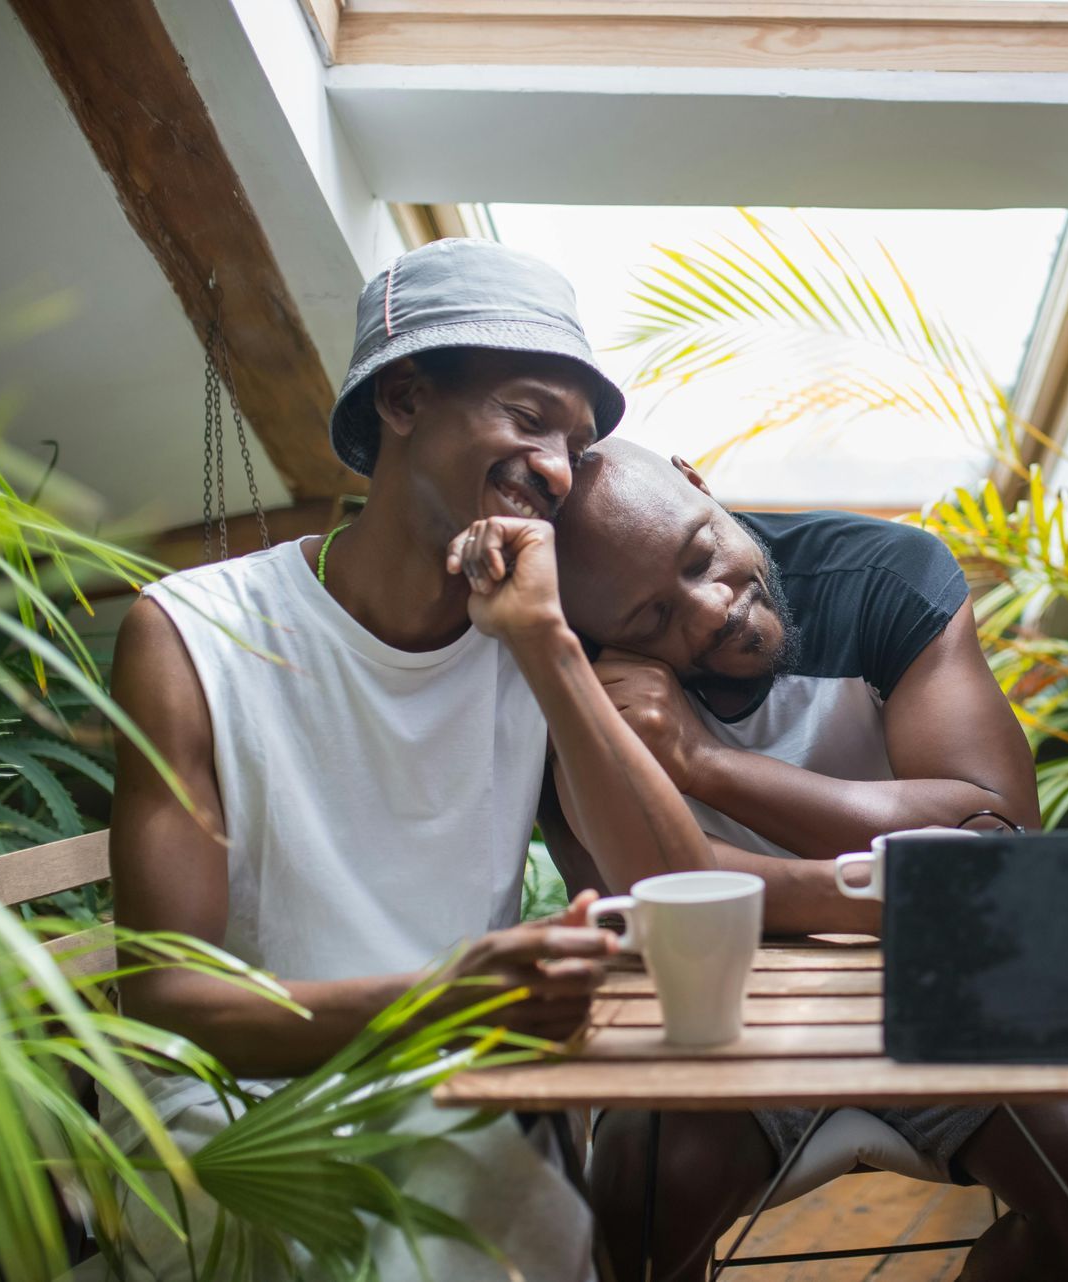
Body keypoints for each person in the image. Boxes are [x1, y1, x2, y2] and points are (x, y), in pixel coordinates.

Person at [106, 239, 710, 1279]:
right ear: (404, 397)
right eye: (529, 418)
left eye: (575, 441)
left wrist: (547, 646)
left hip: (454, 1095)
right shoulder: (192, 632)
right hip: (234, 1121)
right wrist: (442, 999)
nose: (559, 469)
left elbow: (679, 893)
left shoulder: (534, 631)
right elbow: (166, 1003)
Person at [518, 439, 1068, 1282]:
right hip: (722, 999)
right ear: (593, 636)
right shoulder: (564, 676)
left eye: (702, 554)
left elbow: (996, 843)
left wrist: (700, 762)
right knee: (634, 1216)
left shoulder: (882, 575)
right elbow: (639, 895)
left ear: (696, 479)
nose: (711, 607)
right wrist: (866, 898)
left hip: (946, 976)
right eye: (651, 620)